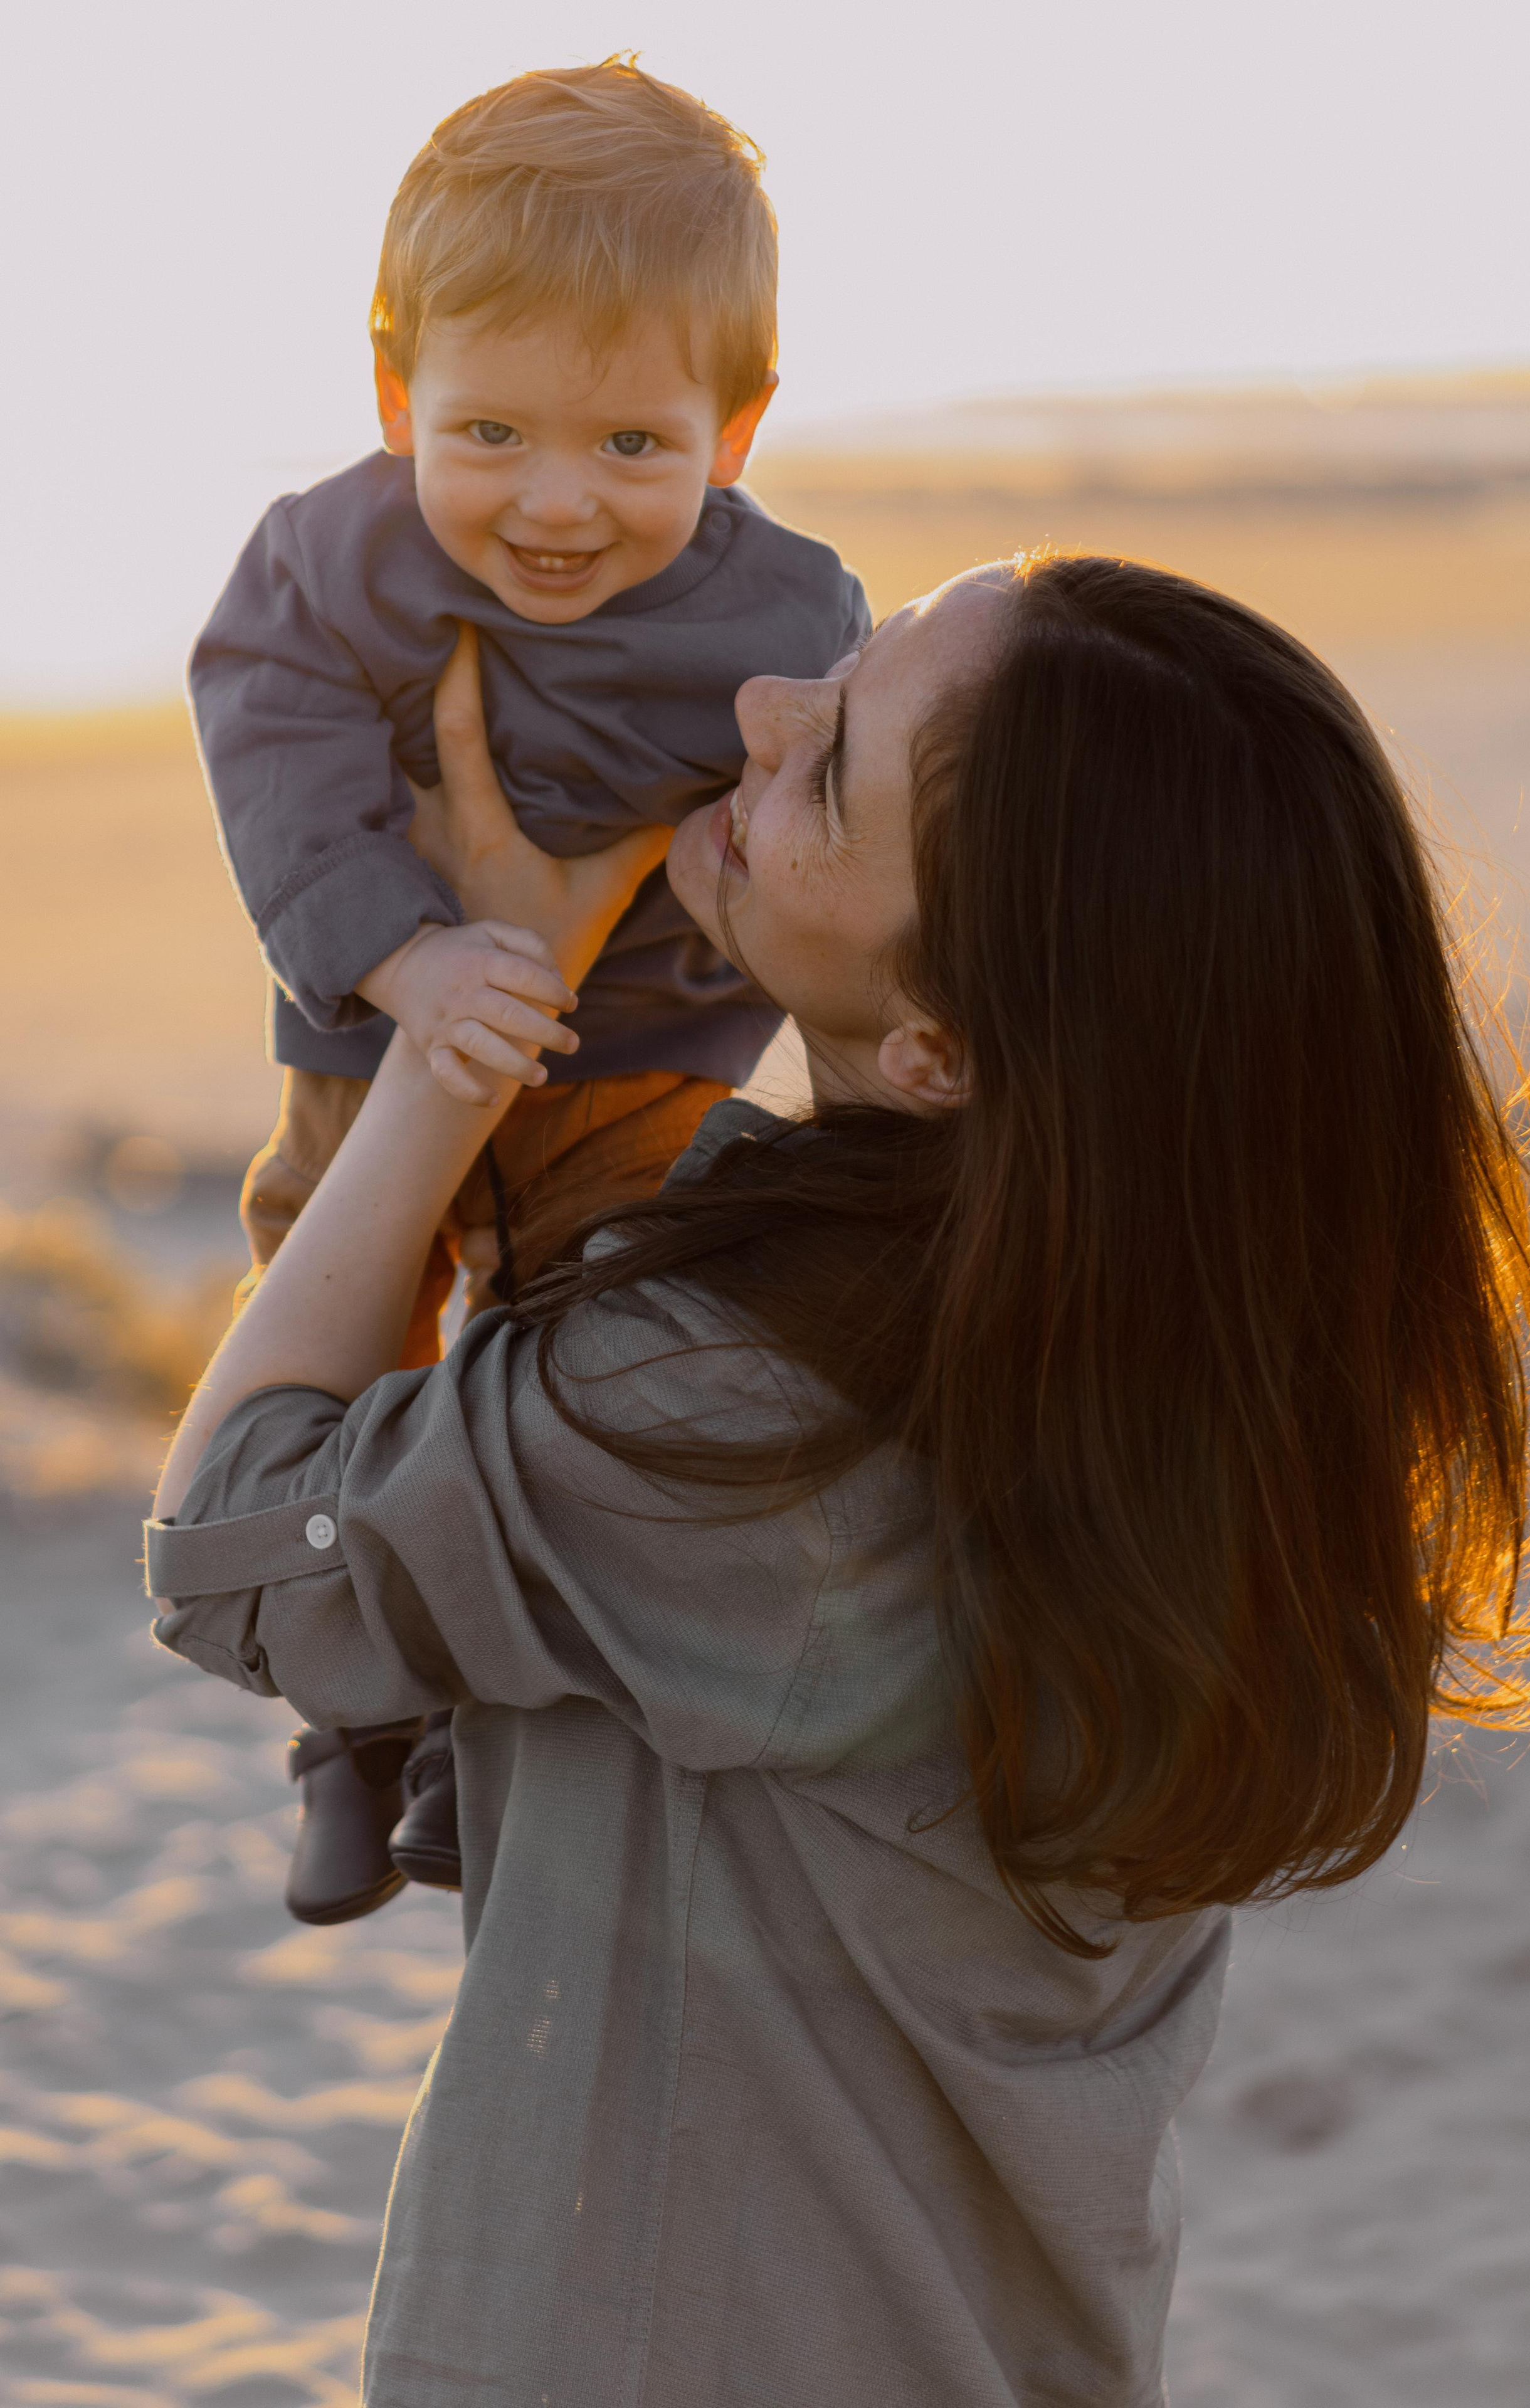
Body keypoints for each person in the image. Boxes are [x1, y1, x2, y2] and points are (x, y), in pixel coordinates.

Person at [147, 555, 1530, 2406]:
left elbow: (236, 1551)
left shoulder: (747, 1418)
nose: (762, 709)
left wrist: (445, 1045)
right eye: (842, 662)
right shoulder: (1194, 1411)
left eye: (827, 766)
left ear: (942, 1051)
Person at [187, 58, 870, 1920]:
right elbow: (268, 732)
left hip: (635, 1067)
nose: (556, 505)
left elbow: (827, 837)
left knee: (575, 1363)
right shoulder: (327, 557)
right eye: (489, 434)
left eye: (632, 448)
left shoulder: (792, 622)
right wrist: (406, 954)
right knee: (341, 1338)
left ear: (735, 429)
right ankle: (351, 1735)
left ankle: (488, 1728)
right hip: (372, 1047)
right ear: (399, 391)